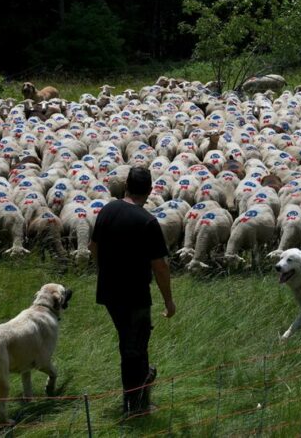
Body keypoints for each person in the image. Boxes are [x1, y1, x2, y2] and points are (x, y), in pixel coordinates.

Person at [89, 167, 176, 416]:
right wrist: (168, 301)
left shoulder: (107, 210)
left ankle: (142, 388)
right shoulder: (147, 221)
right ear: (149, 191)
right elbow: (160, 266)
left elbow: (93, 247)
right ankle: (134, 407)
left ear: (126, 185)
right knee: (133, 349)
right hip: (135, 295)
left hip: (109, 293)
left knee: (133, 343)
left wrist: (105, 270)